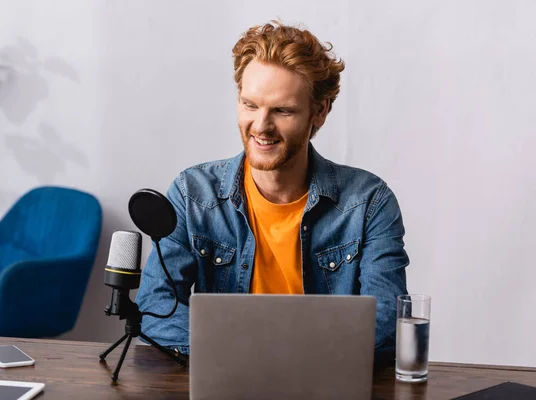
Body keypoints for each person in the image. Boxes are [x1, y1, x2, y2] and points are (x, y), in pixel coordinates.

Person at [136, 21, 409, 361]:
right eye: (250, 105)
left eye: (282, 111)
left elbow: (387, 322)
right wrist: (249, 356)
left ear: (319, 112)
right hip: (227, 382)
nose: (261, 126)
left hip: (325, 385)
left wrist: (272, 356)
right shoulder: (192, 194)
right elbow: (155, 307)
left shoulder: (368, 202)